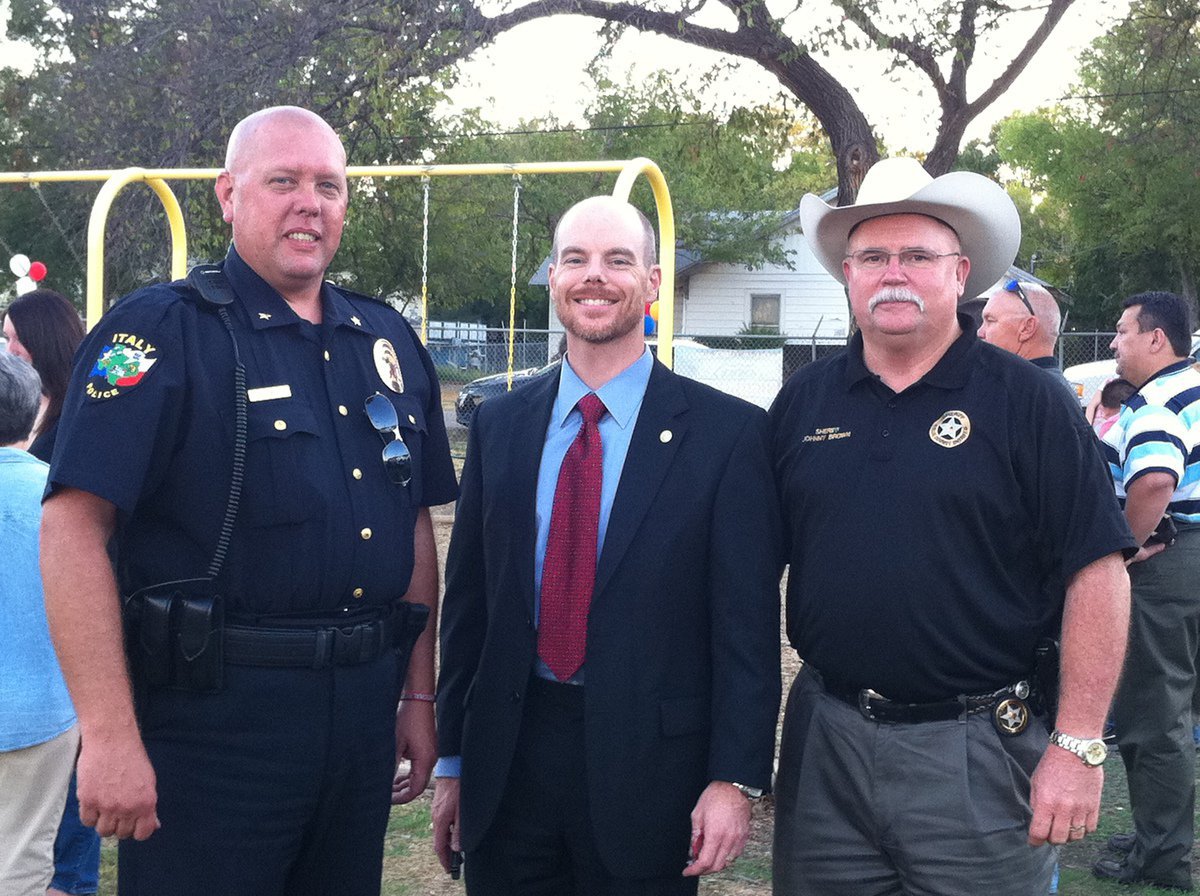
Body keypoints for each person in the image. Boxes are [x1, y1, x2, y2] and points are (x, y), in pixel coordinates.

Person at [40, 106, 458, 896]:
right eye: (283, 181)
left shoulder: (385, 340)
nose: (310, 204)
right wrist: (109, 734)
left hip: (359, 717)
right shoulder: (160, 333)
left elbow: (411, 526)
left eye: (328, 186)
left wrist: (417, 693)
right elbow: (71, 529)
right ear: (229, 196)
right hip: (213, 725)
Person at [769, 157, 1135, 895]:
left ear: (960, 273)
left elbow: (1098, 570)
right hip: (826, 742)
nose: (893, 274)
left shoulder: (1029, 402)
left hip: (977, 751)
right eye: (873, 256)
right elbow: (745, 568)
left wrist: (1078, 745)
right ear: (848, 274)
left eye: (917, 256)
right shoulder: (802, 403)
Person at [432, 195, 781, 895]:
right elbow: (469, 608)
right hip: (509, 760)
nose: (595, 275)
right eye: (576, 259)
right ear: (553, 279)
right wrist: (453, 761)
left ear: (652, 282)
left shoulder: (727, 436)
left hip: (652, 772)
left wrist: (734, 778)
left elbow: (745, 628)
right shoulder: (501, 426)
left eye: (618, 260)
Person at [1093, 291, 1200, 891]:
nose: (1114, 344)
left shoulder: (1156, 401)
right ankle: (1158, 833)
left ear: (1156, 338)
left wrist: (1125, 549)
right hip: (1192, 558)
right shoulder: (1194, 388)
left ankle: (1161, 858)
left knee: (1154, 712)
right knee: (1178, 706)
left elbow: (1155, 479)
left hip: (1169, 563)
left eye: (1122, 331)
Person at [1, 288, 97, 896]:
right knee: (27, 864)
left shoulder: (76, 448)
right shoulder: (56, 486)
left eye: (12, 338)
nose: (8, 346)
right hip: (45, 706)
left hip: (51, 699)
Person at [2, 288, 86, 461]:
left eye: (19, 338)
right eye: (7, 338)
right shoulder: (10, 399)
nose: (10, 350)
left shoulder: (81, 408)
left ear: (47, 340)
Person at [977, 278, 1077, 401]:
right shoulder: (1051, 390)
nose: (980, 332)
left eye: (990, 320)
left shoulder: (1024, 394)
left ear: (1027, 328)